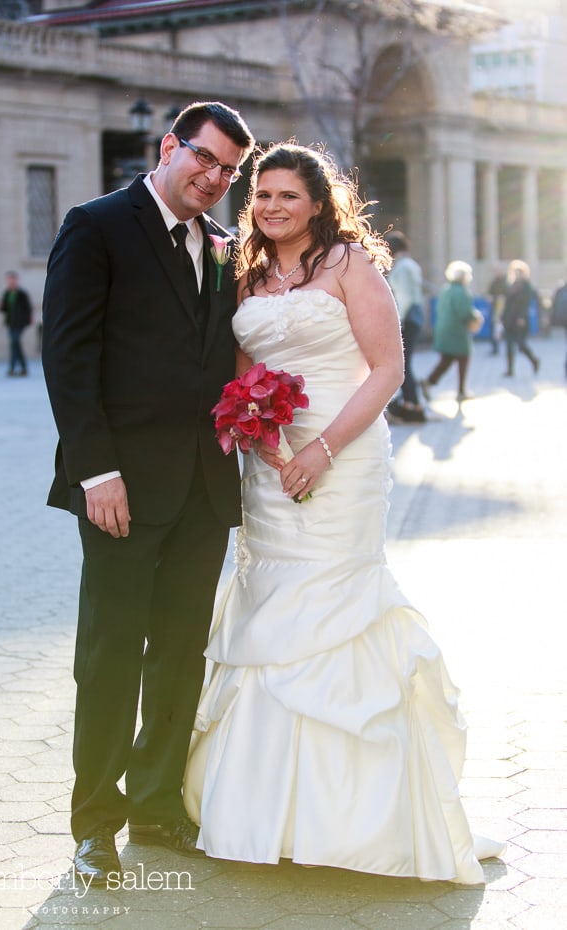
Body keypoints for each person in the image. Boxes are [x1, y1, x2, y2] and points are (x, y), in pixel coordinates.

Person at [183, 143, 504, 883]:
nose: (270, 207)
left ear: (320, 204)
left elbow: (388, 367)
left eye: (287, 196)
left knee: (336, 601)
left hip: (345, 453)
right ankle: (266, 815)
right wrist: (259, 437)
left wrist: (322, 448)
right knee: (270, 606)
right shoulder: (248, 274)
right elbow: (243, 373)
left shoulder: (350, 267)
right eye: (261, 195)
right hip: (267, 468)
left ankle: (362, 820)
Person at [41, 101, 254, 884]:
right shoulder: (96, 225)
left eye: (230, 170)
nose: (214, 178)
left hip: (204, 490)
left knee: (177, 655)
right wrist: (96, 472)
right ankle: (95, 822)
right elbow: (67, 355)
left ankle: (159, 805)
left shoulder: (224, 246)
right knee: (109, 656)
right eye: (204, 158)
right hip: (120, 489)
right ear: (170, 146)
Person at [419, 260, 481, 404]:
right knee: (463, 359)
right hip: (456, 331)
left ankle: (429, 382)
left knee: (446, 360)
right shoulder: (461, 291)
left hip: (443, 329)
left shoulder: (445, 289)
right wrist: (476, 316)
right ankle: (461, 391)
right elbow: (464, 312)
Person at [384, 230, 426, 422]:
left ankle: (413, 405)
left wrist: (396, 322)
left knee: (403, 364)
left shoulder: (402, 267)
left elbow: (405, 298)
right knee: (406, 363)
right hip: (415, 317)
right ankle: (413, 403)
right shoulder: (412, 265)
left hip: (407, 319)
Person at [502, 259, 540, 377]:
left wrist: (522, 317)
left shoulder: (527, 286)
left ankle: (534, 360)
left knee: (521, 345)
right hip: (509, 319)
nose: (518, 274)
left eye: (520, 272)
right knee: (508, 345)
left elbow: (526, 304)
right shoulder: (511, 285)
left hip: (520, 320)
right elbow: (506, 303)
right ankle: (510, 370)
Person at [0, 271, 33, 376]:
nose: (11, 282)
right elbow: (4, 309)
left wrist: (28, 319)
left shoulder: (22, 294)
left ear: (16, 280)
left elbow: (28, 308)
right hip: (10, 323)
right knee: (15, 344)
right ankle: (22, 368)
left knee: (14, 342)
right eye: (9, 280)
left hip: (20, 323)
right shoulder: (6, 293)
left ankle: (13, 368)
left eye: (12, 280)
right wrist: (1, 306)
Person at [486, 264, 507, 356]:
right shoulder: (493, 282)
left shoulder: (504, 283)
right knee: (494, 328)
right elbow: (489, 293)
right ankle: (495, 347)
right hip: (494, 308)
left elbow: (505, 296)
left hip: (501, 309)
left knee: (499, 328)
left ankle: (498, 346)